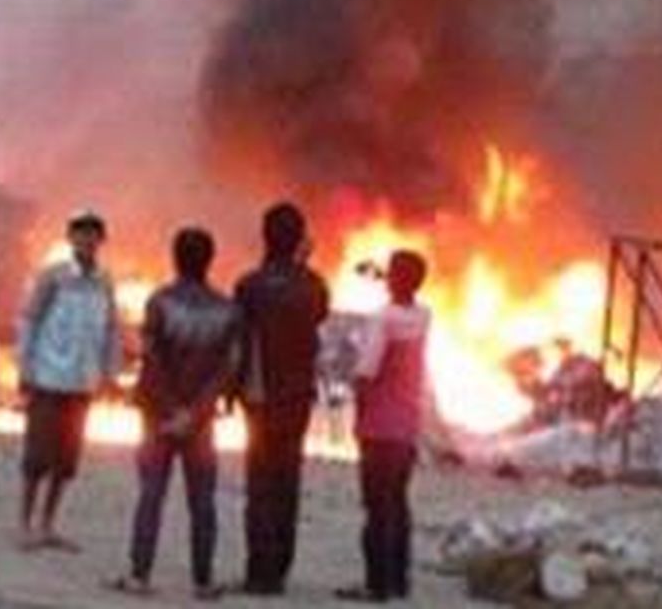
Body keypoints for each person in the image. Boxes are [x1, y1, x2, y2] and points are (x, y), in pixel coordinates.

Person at [108, 227, 243, 601]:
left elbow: (152, 361)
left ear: (175, 257)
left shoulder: (160, 302)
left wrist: (172, 410)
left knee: (151, 493)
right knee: (202, 500)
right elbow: (227, 370)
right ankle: (203, 580)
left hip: (158, 417)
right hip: (200, 423)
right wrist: (196, 412)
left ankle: (139, 574)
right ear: (210, 260)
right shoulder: (227, 310)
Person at [234, 202, 330, 595]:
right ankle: (279, 571)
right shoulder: (314, 285)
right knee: (287, 481)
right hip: (298, 397)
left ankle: (258, 572)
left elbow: (240, 332)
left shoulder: (250, 284)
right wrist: (302, 264)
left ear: (265, 237)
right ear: (299, 239)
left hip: (260, 396)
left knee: (260, 484)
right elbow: (319, 317)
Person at [16, 210, 119, 551]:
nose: (87, 240)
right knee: (37, 457)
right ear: (70, 238)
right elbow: (30, 322)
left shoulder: (105, 282)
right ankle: (24, 524)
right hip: (48, 378)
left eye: (93, 234)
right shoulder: (53, 277)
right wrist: (25, 370)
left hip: (82, 383)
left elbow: (111, 330)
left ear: (101, 240)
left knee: (66, 460)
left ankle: (48, 525)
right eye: (81, 233)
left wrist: (109, 373)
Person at [337, 250, 430, 604]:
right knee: (398, 504)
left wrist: (359, 419)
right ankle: (398, 579)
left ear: (394, 279)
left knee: (376, 507)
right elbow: (405, 300)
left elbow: (365, 375)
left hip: (378, 427)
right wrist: (383, 277)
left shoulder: (381, 320)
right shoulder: (423, 316)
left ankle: (374, 585)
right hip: (407, 426)